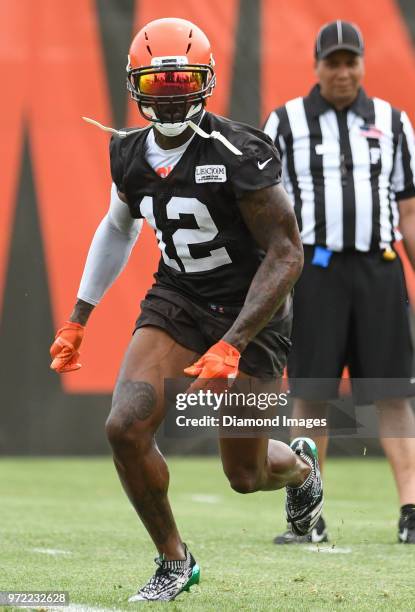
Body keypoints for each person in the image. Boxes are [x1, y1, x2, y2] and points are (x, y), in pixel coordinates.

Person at [49, 18, 323, 602]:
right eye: (159, 82)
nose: (171, 95)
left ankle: (300, 468)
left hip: (254, 310)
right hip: (179, 299)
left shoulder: (239, 150)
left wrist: (236, 340)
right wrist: (79, 316)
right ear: (135, 84)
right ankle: (174, 560)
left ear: (205, 83)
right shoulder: (127, 152)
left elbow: (286, 253)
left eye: (182, 82)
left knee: (245, 477)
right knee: (124, 426)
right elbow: (117, 230)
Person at [263, 20, 415, 545]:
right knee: (310, 393)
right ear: (317, 65)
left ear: (363, 64)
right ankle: (309, 516)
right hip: (317, 271)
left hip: (378, 267)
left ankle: (411, 512)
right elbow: (269, 213)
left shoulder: (395, 123)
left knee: (394, 392)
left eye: (352, 61)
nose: (344, 71)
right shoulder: (283, 123)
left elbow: (409, 212)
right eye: (334, 61)